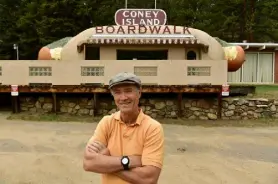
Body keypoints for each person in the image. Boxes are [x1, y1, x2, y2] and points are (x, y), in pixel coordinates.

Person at [83, 72, 165, 184]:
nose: (123, 97)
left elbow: (149, 178)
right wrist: (130, 161)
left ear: (139, 93)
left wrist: (107, 160)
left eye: (128, 91)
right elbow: (88, 163)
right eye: (117, 93)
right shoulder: (106, 123)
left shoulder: (152, 128)